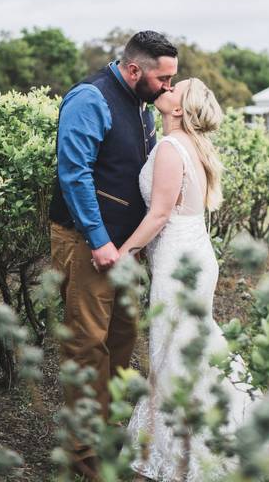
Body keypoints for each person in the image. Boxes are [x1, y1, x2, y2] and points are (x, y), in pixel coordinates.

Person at [120, 78, 269, 481]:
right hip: (193, 251)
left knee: (176, 351)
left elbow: (159, 215)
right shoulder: (188, 145)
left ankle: (187, 453)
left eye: (173, 89)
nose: (164, 89)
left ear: (178, 109)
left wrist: (124, 251)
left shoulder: (171, 147)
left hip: (178, 258)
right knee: (188, 347)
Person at [49, 30, 178, 478]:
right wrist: (100, 240)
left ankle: (102, 431)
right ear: (134, 69)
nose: (169, 87)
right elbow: (75, 172)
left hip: (124, 249)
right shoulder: (91, 98)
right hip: (88, 242)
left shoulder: (142, 106)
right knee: (86, 343)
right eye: (163, 78)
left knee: (121, 338)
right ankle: (80, 450)